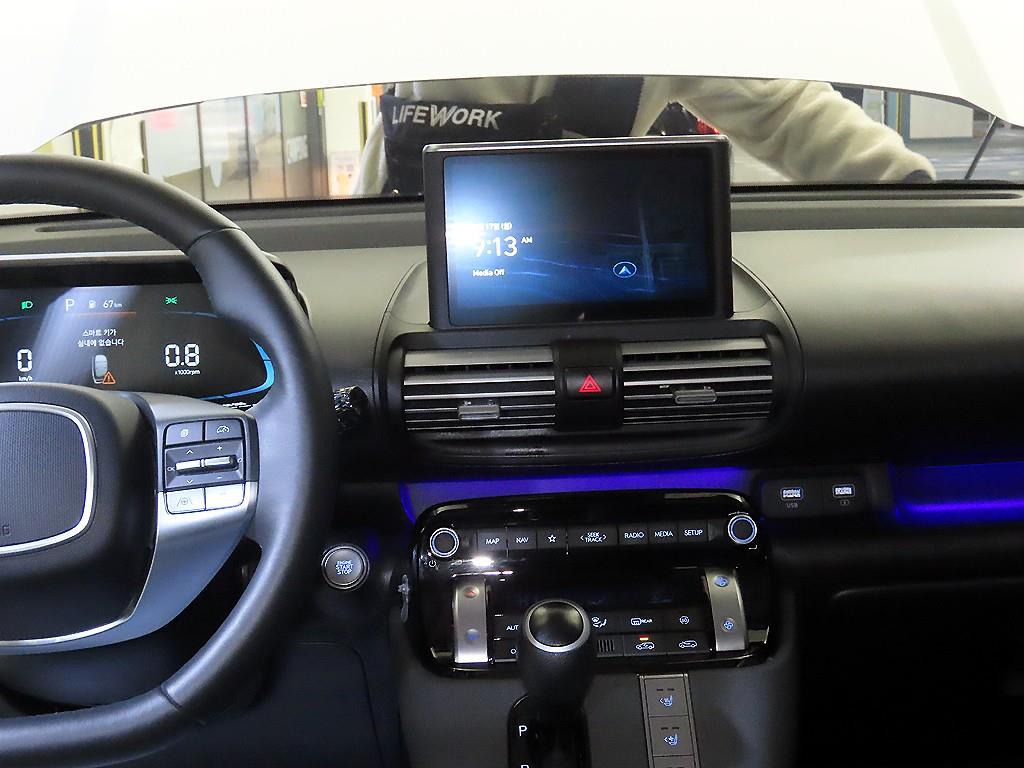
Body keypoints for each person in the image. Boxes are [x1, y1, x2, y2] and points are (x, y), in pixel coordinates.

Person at [354, 75, 935, 195]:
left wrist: (900, 181)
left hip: (584, 246)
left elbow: (783, 107)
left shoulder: (657, 17)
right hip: (412, 222)